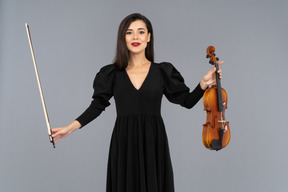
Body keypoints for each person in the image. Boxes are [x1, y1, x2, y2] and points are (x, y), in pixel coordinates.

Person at [51, 13, 223, 192]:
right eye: (129, 32)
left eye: (141, 32)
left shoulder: (163, 71)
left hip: (154, 141)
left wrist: (203, 84)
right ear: (123, 38)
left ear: (149, 37)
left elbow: (187, 101)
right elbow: (96, 106)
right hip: (124, 141)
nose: (135, 37)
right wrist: (68, 128)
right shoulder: (111, 73)